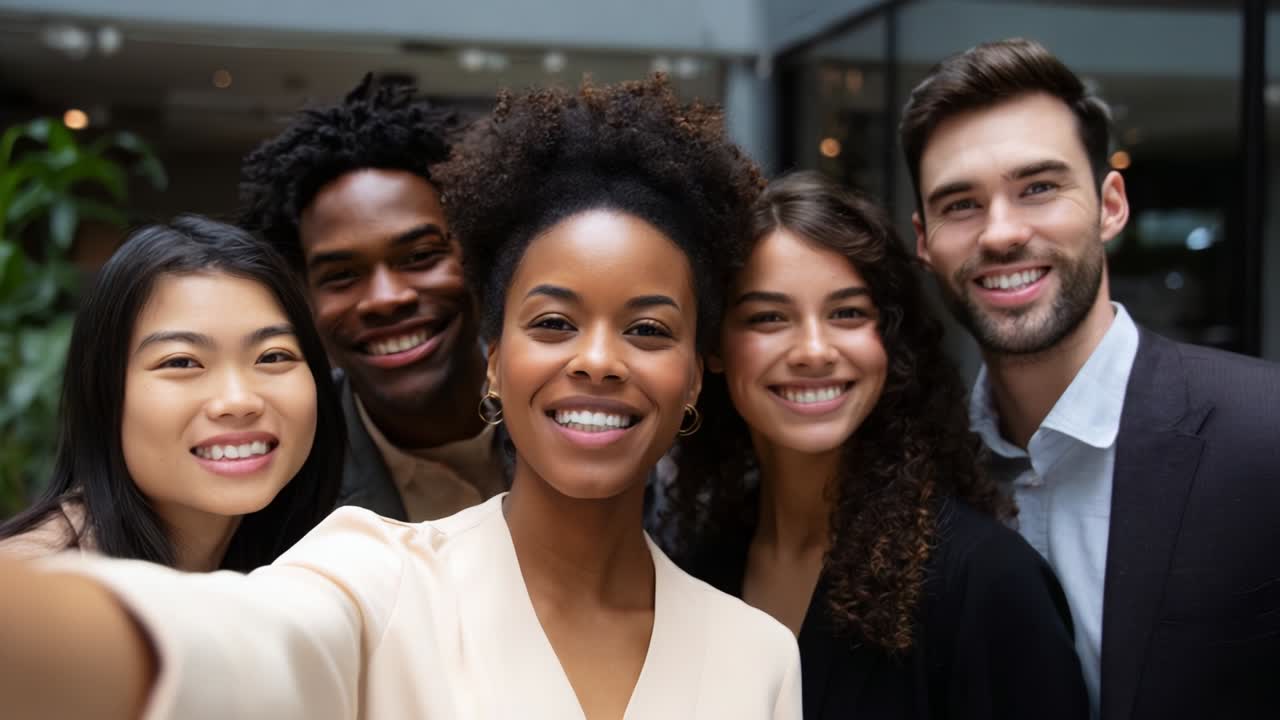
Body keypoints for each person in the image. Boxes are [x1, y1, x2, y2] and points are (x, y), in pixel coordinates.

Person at [0, 76, 801, 720]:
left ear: (696, 374)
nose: (597, 360)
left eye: (649, 330)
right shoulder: (371, 569)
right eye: (553, 321)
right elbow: (233, 646)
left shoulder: (758, 654)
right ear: (494, 359)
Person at [901, 38, 1280, 720]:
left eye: (1038, 188)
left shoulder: (1265, 432)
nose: (1001, 233)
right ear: (924, 241)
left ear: (1110, 205)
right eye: (961, 204)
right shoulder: (915, 480)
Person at [663, 171, 1086, 719]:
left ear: (889, 340)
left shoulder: (985, 582)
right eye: (768, 317)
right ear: (714, 348)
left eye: (847, 314)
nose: (814, 350)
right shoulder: (698, 568)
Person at [0, 216, 343, 571]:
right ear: (102, 392)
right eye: (181, 362)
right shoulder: (32, 592)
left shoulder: (319, 568)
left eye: (273, 356)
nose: (239, 400)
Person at [239, 74, 503, 522]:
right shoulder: (279, 473)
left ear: (475, 254)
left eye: (420, 256)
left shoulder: (563, 401)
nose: (385, 298)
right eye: (342, 275)